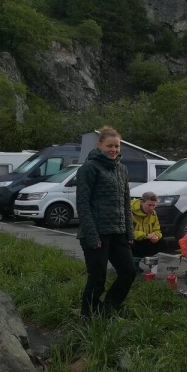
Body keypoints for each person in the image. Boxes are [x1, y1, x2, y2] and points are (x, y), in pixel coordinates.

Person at [76, 126, 136, 318]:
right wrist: (92, 236)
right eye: (110, 146)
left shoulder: (122, 170)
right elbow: (83, 204)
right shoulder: (89, 168)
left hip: (118, 233)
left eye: (117, 146)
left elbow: (125, 203)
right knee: (97, 278)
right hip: (96, 233)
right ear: (100, 145)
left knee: (129, 271)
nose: (114, 150)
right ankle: (87, 315)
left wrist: (129, 233)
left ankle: (106, 309)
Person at [131, 191, 166, 273]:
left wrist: (156, 236)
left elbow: (157, 229)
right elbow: (128, 232)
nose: (151, 208)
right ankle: (133, 262)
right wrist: (146, 235)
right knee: (131, 242)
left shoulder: (153, 213)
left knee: (162, 242)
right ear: (142, 202)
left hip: (146, 238)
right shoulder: (130, 211)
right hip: (132, 240)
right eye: (149, 205)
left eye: (154, 205)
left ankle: (148, 258)